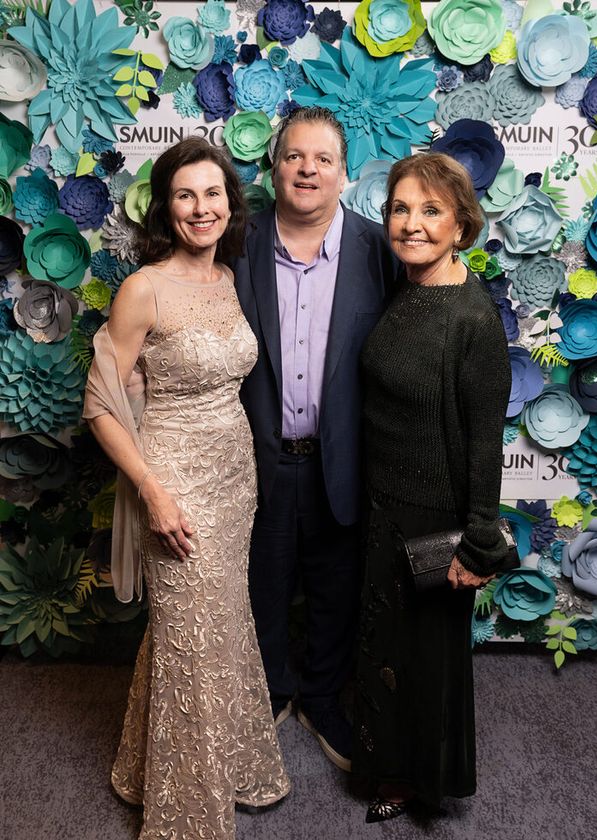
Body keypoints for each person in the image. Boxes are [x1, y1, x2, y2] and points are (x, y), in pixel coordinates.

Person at [83, 137, 289, 840]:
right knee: (187, 633)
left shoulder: (231, 278)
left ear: (230, 204)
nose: (201, 208)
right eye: (184, 195)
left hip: (236, 477)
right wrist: (151, 491)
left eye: (212, 193)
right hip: (172, 477)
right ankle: (187, 811)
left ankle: (189, 767)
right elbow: (102, 405)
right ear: (166, 210)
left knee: (218, 626)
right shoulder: (143, 287)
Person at [234, 106, 397, 771]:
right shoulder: (235, 241)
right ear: (273, 168)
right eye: (294, 156)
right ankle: (272, 689)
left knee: (337, 586)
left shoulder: (379, 248)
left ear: (344, 173)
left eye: (322, 159)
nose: (307, 169)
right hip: (255, 458)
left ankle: (324, 695)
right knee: (260, 582)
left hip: (342, 459)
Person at [353, 153, 511, 822]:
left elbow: (483, 441)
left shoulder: (472, 319)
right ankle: (388, 767)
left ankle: (420, 781)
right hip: (382, 503)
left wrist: (476, 546)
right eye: (399, 208)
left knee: (428, 662)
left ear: (461, 224)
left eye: (430, 210)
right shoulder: (407, 289)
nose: (411, 223)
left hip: (434, 517)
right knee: (386, 649)